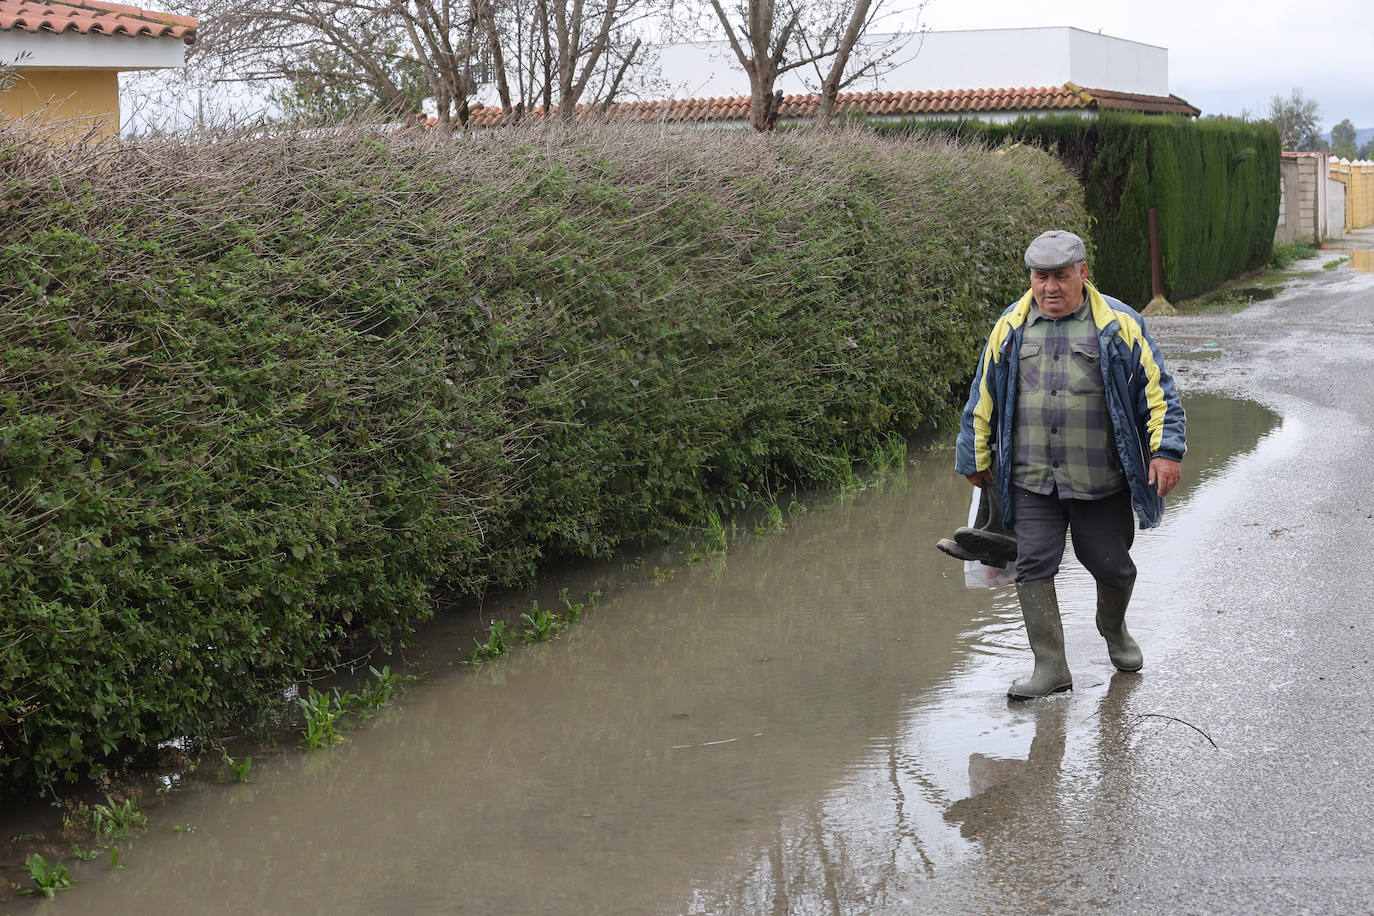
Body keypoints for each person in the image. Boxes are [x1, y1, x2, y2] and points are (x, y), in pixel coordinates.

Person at [954, 230, 1186, 699]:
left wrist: (1166, 452)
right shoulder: (1012, 326)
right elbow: (984, 394)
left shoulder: (1118, 324)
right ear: (1031, 277)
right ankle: (1051, 666)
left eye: (1061, 276)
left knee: (1112, 565)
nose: (1050, 287)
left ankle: (1113, 627)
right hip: (1031, 478)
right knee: (1032, 563)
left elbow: (1159, 392)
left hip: (1101, 479)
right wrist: (974, 455)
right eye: (1041, 277)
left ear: (1083, 273)